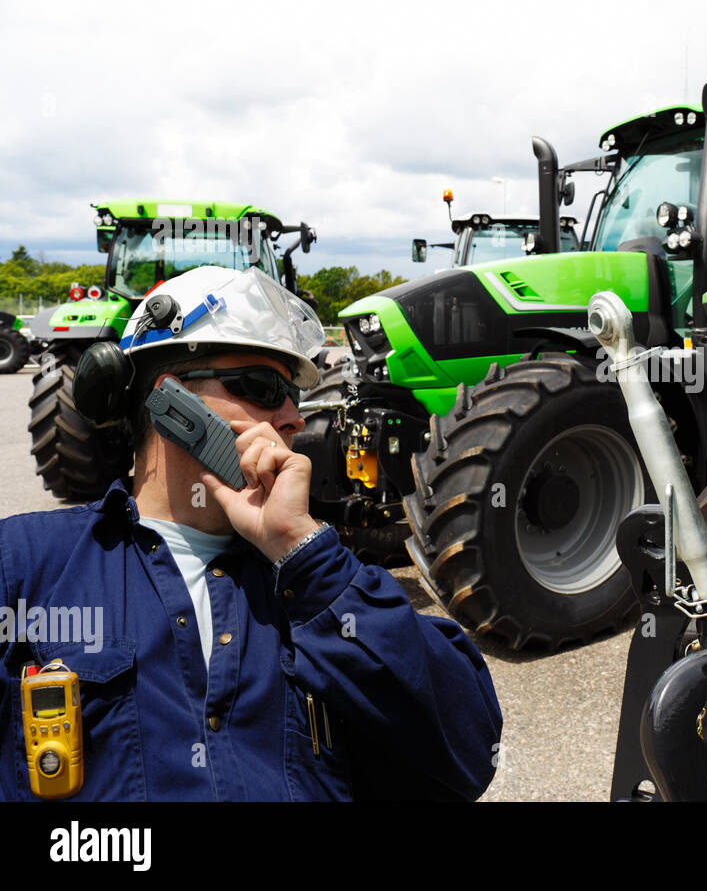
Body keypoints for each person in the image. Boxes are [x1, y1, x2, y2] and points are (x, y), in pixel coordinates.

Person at [1, 266, 501, 800]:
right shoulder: (26, 566)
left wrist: (304, 554)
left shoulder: (322, 582)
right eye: (262, 387)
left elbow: (469, 752)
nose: (291, 416)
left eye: (293, 395)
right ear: (173, 404)